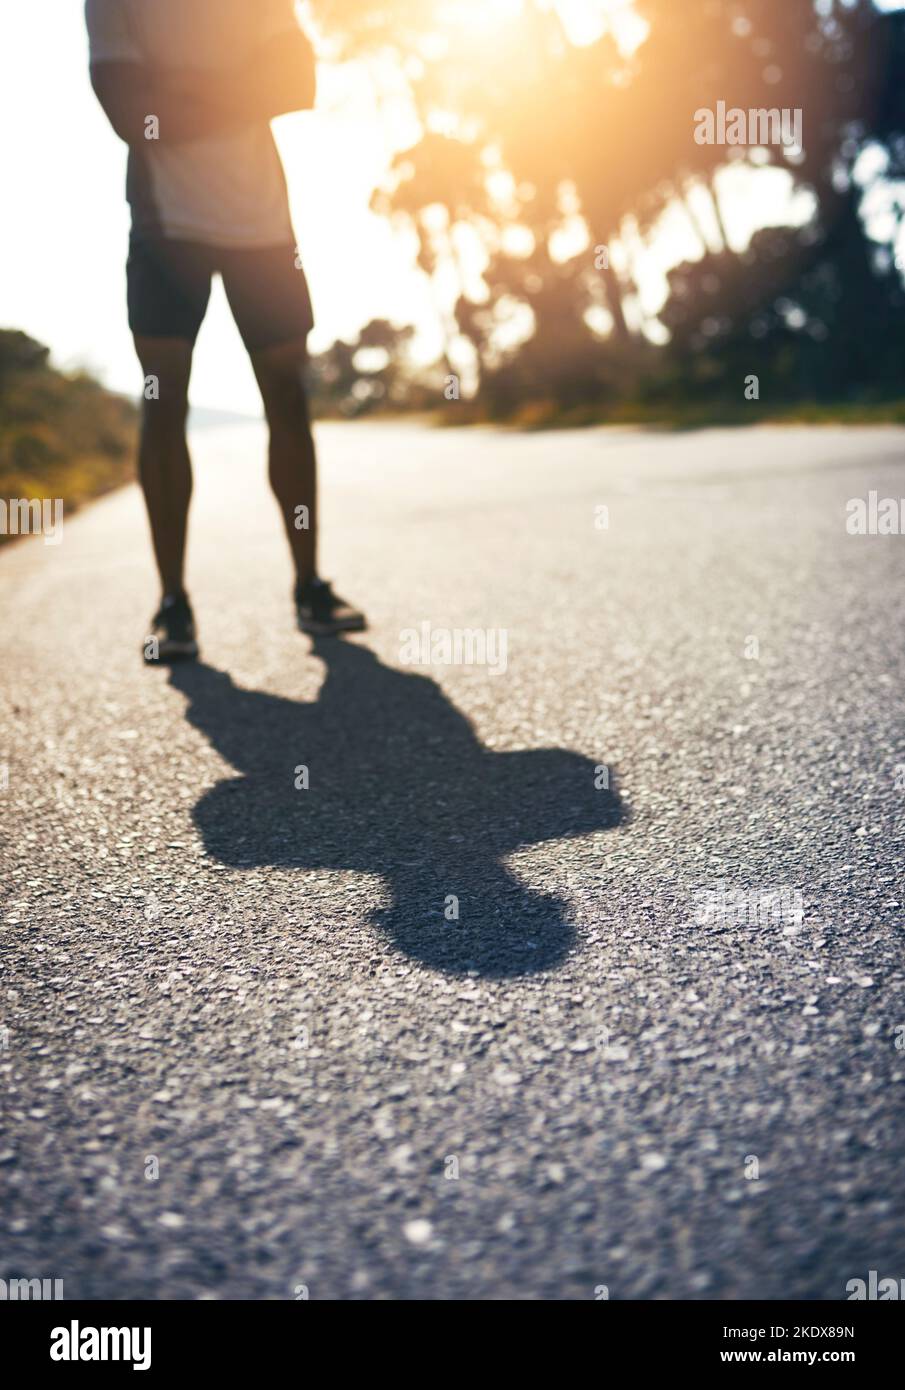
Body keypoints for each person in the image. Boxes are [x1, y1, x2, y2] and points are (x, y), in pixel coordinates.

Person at [85, 0, 366, 660]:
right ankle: (173, 603)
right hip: (165, 228)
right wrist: (241, 90)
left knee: (289, 399)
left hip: (262, 227)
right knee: (163, 403)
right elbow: (133, 118)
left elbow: (296, 85)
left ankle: (308, 585)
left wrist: (180, 93)